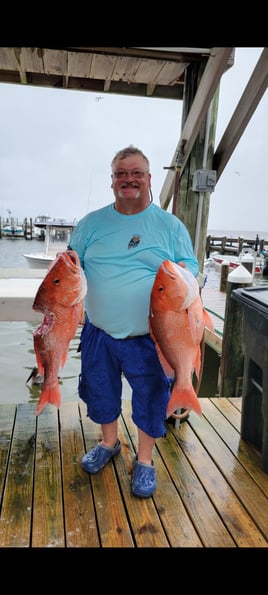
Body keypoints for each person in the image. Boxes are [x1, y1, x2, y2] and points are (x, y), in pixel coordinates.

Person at [68, 145, 199, 498]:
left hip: (152, 336)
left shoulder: (170, 226)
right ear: (112, 181)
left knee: (151, 397)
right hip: (99, 331)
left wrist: (184, 278)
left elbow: (191, 268)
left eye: (136, 173)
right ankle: (109, 443)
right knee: (100, 391)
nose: (129, 179)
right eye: (121, 174)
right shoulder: (90, 224)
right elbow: (70, 269)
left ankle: (145, 460)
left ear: (149, 179)